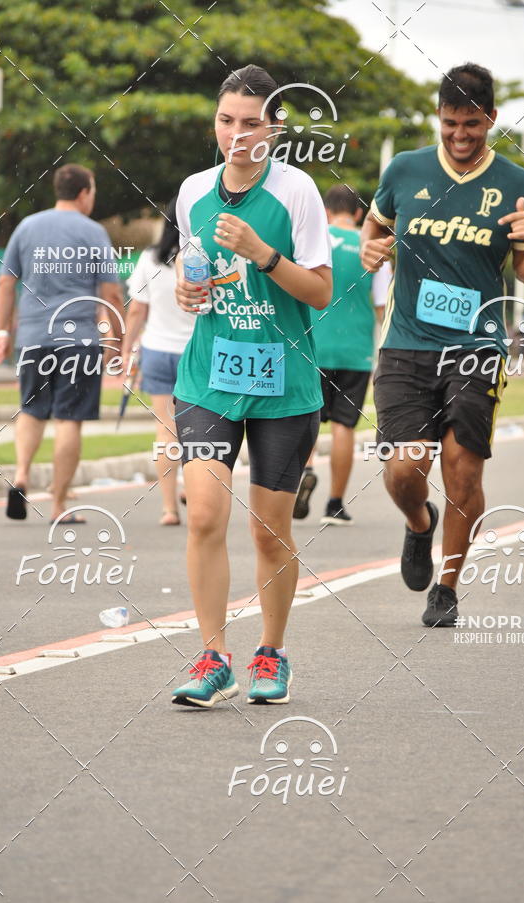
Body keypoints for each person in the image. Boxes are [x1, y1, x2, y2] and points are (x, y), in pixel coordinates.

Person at [361, 63, 524, 627]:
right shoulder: (405, 169)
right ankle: (420, 523)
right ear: (438, 117)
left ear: (491, 118)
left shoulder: (517, 184)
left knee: (463, 471)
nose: (460, 135)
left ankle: (445, 588)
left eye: (472, 123)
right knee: (405, 466)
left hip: (477, 346)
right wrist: (370, 251)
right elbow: (375, 229)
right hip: (406, 343)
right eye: (450, 123)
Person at [170, 64, 332, 708]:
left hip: (283, 384)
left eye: (251, 124)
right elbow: (195, 267)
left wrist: (264, 253)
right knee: (204, 513)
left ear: (275, 129)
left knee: (269, 530)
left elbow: (319, 292)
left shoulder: (298, 191)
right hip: (208, 376)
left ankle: (272, 652)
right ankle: (214, 658)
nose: (236, 136)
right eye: (225, 121)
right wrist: (186, 288)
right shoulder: (193, 191)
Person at [0, 164, 123, 523]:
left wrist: (2, 331)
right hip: (79, 340)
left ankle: (22, 475)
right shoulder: (93, 232)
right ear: (84, 193)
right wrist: (117, 339)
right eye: (93, 191)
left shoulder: (27, 226)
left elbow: (6, 283)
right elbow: (111, 293)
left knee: (31, 410)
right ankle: (58, 505)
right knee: (70, 418)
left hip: (33, 337)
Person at [293, 184, 388, 525]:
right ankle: (335, 504)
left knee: (307, 419)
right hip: (356, 351)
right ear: (359, 213)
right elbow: (382, 307)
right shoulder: (371, 248)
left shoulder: (313, 241)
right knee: (344, 427)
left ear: (326, 211)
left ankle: (305, 470)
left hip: (312, 346)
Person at [123, 197, 195, 524]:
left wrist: (126, 350)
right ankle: (194, 489)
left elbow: (137, 310)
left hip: (157, 350)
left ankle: (169, 509)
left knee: (166, 431)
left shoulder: (149, 259)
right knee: (200, 431)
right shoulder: (203, 257)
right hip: (197, 353)